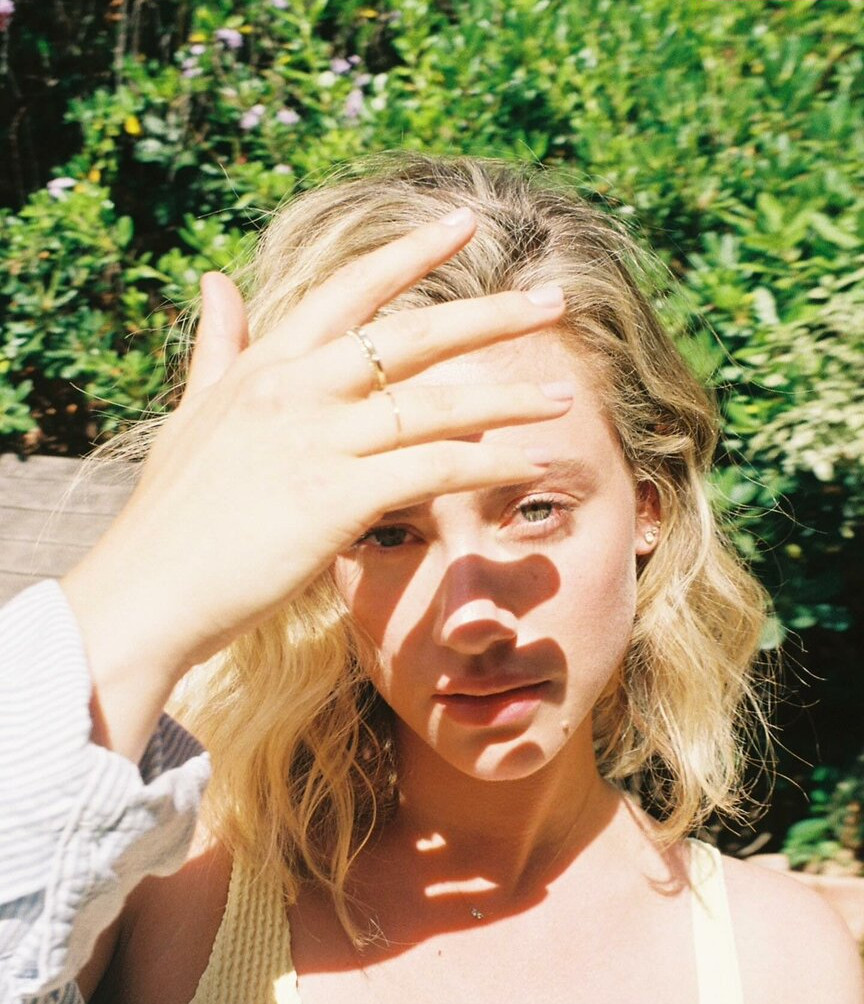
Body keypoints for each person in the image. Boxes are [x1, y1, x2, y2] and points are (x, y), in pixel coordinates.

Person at [1, 155, 861, 1004]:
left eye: (535, 509)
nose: (469, 618)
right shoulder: (161, 889)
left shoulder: (778, 960)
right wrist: (145, 583)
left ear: (649, 507)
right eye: (387, 531)